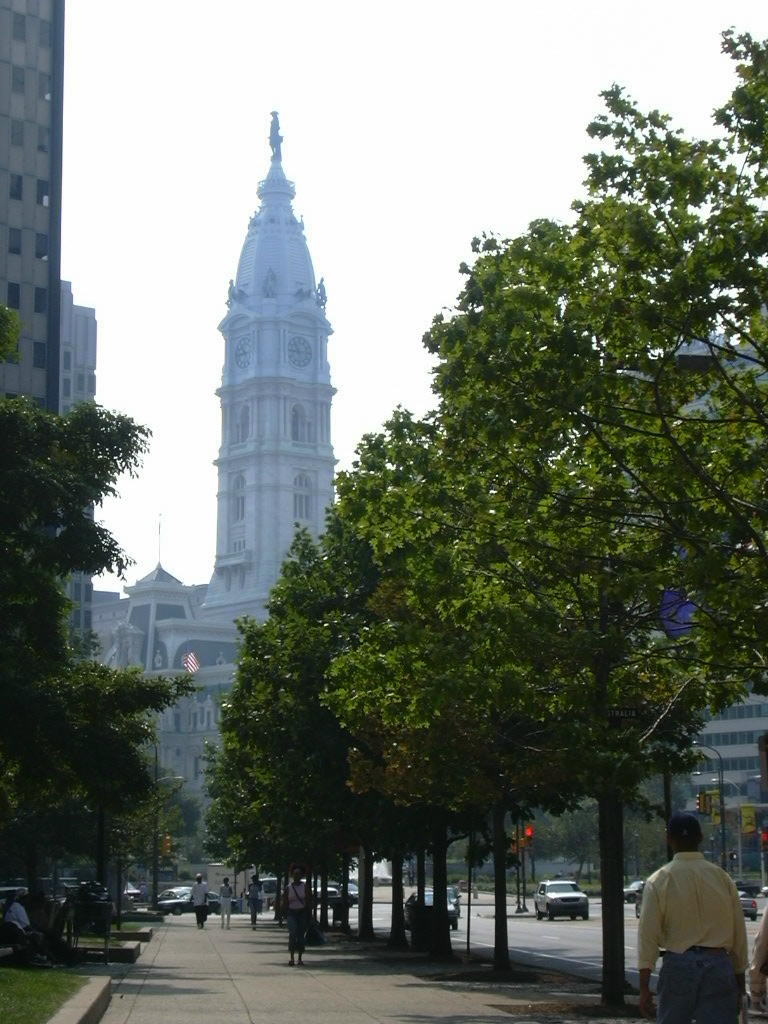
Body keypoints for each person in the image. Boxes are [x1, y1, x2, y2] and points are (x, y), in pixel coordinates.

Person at [637, 811, 748, 1022]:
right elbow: (738, 935)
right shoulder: (722, 878)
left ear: (669, 840)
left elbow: (647, 937)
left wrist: (644, 988)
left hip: (678, 963)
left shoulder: (659, 880)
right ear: (700, 838)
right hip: (718, 964)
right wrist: (739, 985)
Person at [284, 866, 311, 966]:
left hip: (302, 913)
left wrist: (309, 914)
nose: (297, 876)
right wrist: (284, 916)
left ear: (301, 876)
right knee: (292, 934)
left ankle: (300, 958)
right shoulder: (288, 888)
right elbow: (285, 902)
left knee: (300, 937)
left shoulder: (305, 887)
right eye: (295, 874)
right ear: (292, 875)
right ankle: (291, 958)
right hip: (292, 913)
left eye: (298, 874)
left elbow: (308, 900)